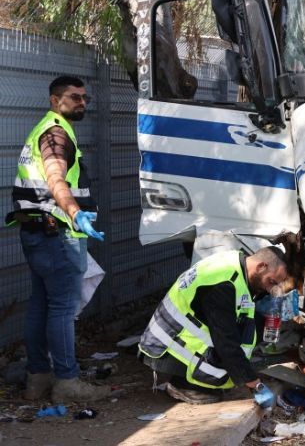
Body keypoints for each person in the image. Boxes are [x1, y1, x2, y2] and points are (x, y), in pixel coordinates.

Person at [5, 76, 108, 402]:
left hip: (36, 232)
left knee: (40, 304)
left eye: (84, 98)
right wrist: (76, 213)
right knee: (62, 309)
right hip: (58, 234)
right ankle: (66, 381)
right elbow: (56, 179)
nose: (82, 102)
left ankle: (38, 377)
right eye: (74, 97)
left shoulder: (44, 129)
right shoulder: (55, 134)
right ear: (54, 100)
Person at [138, 247, 289, 406]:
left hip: (173, 331)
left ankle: (199, 378)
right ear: (261, 266)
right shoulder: (223, 285)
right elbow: (225, 340)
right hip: (167, 344)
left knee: (247, 330)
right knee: (224, 358)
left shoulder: (236, 262)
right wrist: (253, 383)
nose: (269, 288)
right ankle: (183, 385)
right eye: (271, 281)